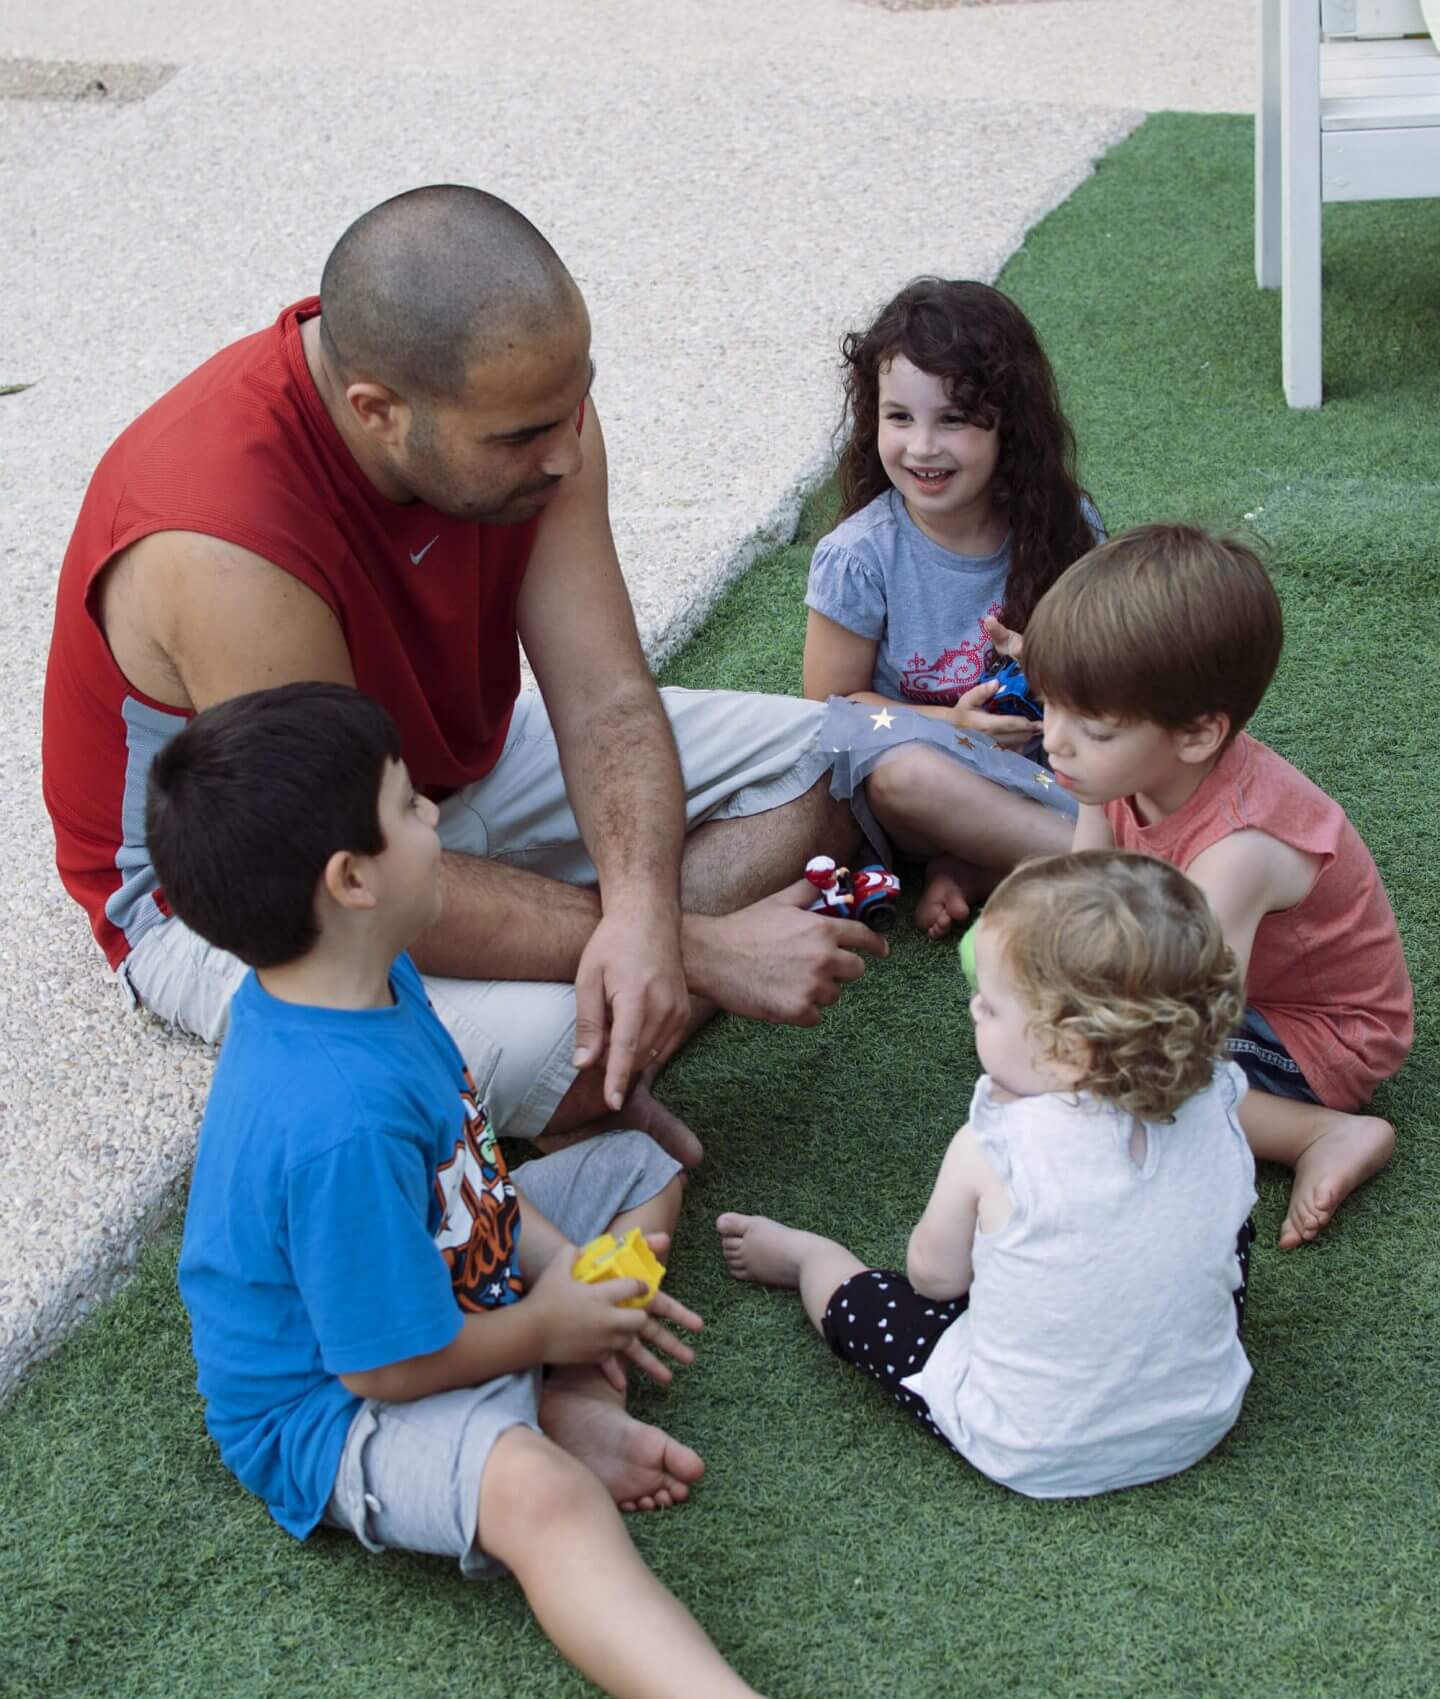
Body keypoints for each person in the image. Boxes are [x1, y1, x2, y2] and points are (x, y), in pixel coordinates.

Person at [147, 681, 912, 1699]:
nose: (437, 824)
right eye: (410, 810)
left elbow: (473, 1173)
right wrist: (552, 1317)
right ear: (349, 880)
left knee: (633, 1172)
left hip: (447, 1276)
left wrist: (566, 1280)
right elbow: (389, 1369)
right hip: (331, 1403)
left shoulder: (370, 975)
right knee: (539, 1502)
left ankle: (572, 1405)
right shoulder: (331, 1118)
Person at [42, 185, 885, 1156]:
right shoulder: (223, 540)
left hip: (441, 772)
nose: (569, 451)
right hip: (248, 893)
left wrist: (647, 922)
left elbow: (608, 700)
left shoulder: (527, 400)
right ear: (377, 413)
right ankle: (604, 1027)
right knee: (553, 1061)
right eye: (524, 436)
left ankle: (610, 1005)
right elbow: (351, 869)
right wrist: (703, 946)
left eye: (576, 403)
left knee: (835, 763)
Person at [719, 852, 1257, 1500]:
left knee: (876, 1307)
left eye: (993, 1006)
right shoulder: (1222, 1100)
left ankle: (809, 1261)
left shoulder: (995, 1143)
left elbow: (936, 1279)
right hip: (1199, 1417)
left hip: (1030, 1443)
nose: (975, 1008)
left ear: (1070, 1053)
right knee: (1222, 1216)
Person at [1023, 523, 1413, 1250]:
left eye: (1093, 727)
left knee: (1126, 1080)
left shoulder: (1239, 850)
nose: (1054, 740)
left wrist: (1088, 1045)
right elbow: (1087, 890)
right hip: (1239, 983)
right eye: (1047, 704)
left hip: (1322, 1034)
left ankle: (1320, 1133)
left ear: (1198, 735)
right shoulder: (1118, 772)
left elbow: (1192, 1019)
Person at [802, 278, 1102, 939]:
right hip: (940, 785)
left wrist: (1056, 673)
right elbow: (830, 710)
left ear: (1011, 426)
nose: (922, 447)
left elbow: (1111, 667)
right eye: (900, 417)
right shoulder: (859, 557)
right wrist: (949, 724)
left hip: (1062, 766)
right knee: (902, 779)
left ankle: (981, 865)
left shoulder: (1065, 526)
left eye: (955, 419)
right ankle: (1114, 865)